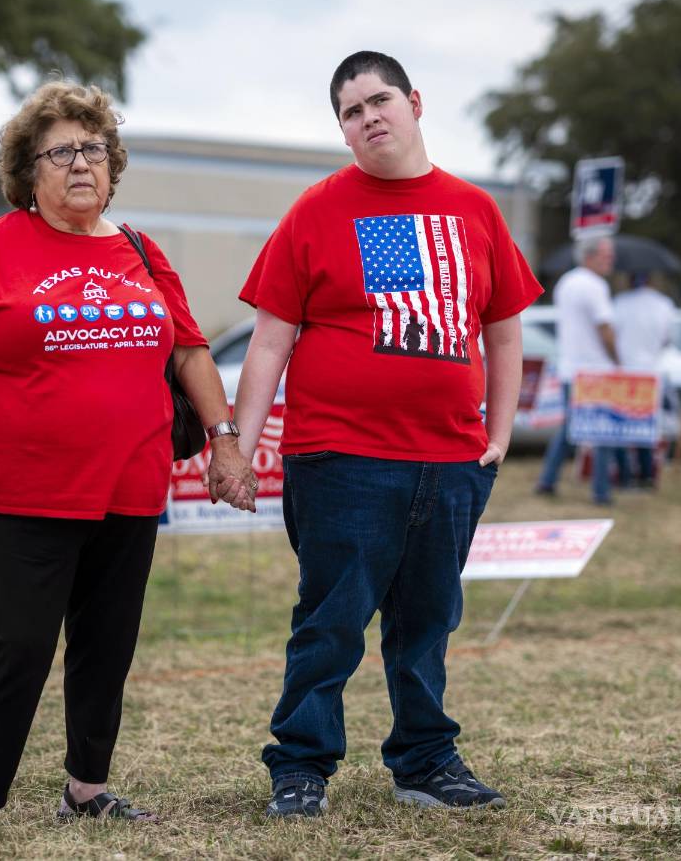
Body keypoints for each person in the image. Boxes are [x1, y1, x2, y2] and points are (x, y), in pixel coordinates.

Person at [0, 80, 256, 831]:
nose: (79, 164)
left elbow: (193, 353)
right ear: (27, 172)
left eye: (92, 148)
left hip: (132, 485)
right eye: (58, 151)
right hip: (27, 487)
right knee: (22, 643)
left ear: (112, 161)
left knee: (106, 645)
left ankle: (86, 790)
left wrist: (224, 443)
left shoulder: (140, 250)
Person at [230, 51, 542, 817]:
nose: (368, 117)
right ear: (343, 132)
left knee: (428, 621)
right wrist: (237, 446)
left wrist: (496, 437)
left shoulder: (473, 209)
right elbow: (270, 339)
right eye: (350, 111)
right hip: (340, 457)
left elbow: (503, 333)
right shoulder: (319, 210)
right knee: (330, 621)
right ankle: (300, 766)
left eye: (378, 100)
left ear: (415, 103)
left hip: (449, 459)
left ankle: (425, 762)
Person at [535, 236, 619, 504]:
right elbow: (604, 328)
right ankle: (601, 491)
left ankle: (547, 480)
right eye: (606, 255)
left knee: (571, 428)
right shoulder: (596, 286)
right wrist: (617, 359)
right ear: (590, 256)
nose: (610, 260)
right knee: (602, 430)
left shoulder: (566, 282)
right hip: (595, 369)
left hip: (571, 367)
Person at [612, 272, 675, 487]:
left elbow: (612, 335)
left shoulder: (620, 302)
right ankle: (647, 474)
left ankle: (624, 475)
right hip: (651, 374)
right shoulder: (664, 304)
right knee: (645, 428)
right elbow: (668, 339)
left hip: (625, 373)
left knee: (621, 427)